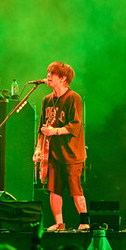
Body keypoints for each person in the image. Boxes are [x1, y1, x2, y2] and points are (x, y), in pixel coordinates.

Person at [33, 61, 88, 232]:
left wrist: (55, 131)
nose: (48, 75)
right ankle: (59, 223)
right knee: (53, 189)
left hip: (72, 153)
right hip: (53, 154)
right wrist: (38, 149)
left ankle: (84, 221)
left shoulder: (74, 98)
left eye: (52, 73)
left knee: (75, 188)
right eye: (48, 71)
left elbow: (75, 125)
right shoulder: (46, 100)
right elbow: (42, 128)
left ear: (63, 78)